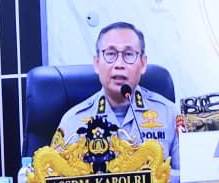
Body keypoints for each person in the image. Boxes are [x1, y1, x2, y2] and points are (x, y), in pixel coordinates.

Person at [53, 21, 180, 169]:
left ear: (143, 63)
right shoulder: (73, 121)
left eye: (129, 54)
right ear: (97, 63)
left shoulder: (169, 114)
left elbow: (187, 177)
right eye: (111, 54)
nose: (119, 64)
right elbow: (53, 176)